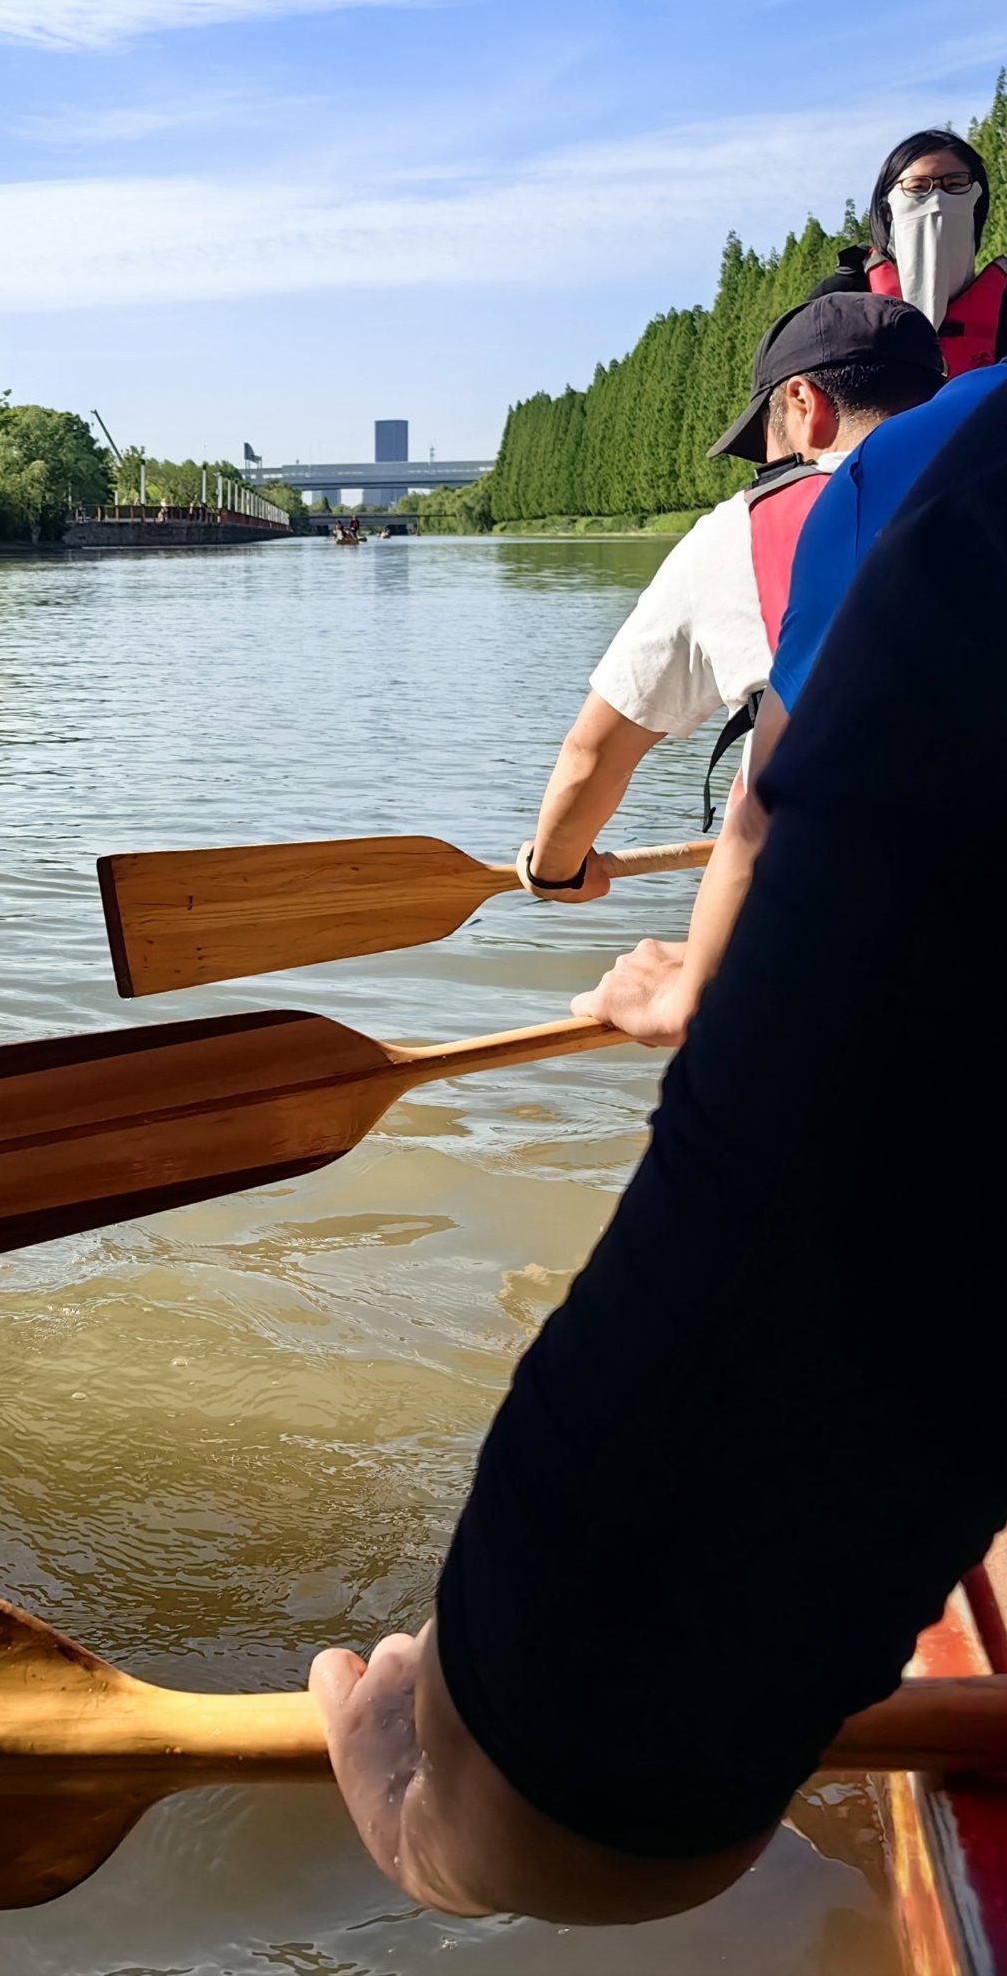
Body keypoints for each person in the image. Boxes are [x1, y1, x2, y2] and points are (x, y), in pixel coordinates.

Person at [313, 375, 1007, 1921]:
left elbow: (642, 785)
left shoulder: (919, 496)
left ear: (800, 407)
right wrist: (711, 976)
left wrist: (457, 1828)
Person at [579, 351, 1007, 1043]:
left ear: (804, 405)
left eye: (766, 439)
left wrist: (693, 984)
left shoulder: (885, 473)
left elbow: (608, 756)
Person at [518, 295, 943, 901]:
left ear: (803, 404)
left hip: (828, 917)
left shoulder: (738, 531)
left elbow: (594, 752)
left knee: (635, 980)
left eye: (765, 443)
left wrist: (553, 869)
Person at [815, 129, 1006, 374]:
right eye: (917, 188)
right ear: (887, 209)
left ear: (976, 204)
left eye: (955, 185)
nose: (937, 201)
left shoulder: (1004, 303)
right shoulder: (837, 302)